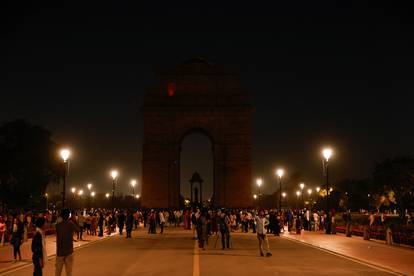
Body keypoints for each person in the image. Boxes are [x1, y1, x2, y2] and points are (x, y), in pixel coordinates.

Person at [55, 209, 80, 276]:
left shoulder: (58, 225)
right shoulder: (70, 223)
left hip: (60, 251)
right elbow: (78, 230)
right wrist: (74, 220)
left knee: (58, 271)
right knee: (69, 271)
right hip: (69, 250)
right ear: (68, 216)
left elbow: (56, 232)